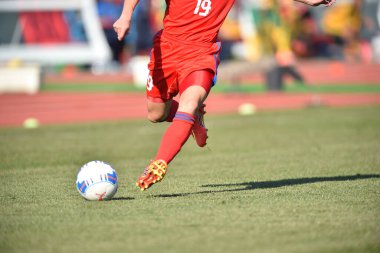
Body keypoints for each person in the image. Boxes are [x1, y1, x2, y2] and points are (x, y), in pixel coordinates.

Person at [113, 0, 336, 191]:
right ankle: (191, 121)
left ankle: (159, 162)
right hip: (167, 50)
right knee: (156, 113)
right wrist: (125, 17)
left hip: (201, 53)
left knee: (189, 103)